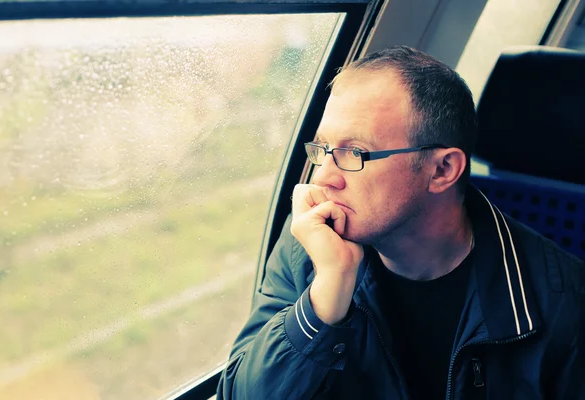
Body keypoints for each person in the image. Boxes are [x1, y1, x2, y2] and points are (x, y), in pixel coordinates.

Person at [216, 45, 585, 399]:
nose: (322, 178)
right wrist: (326, 294)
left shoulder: (566, 305)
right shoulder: (310, 248)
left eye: (354, 152)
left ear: (442, 169)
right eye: (322, 150)